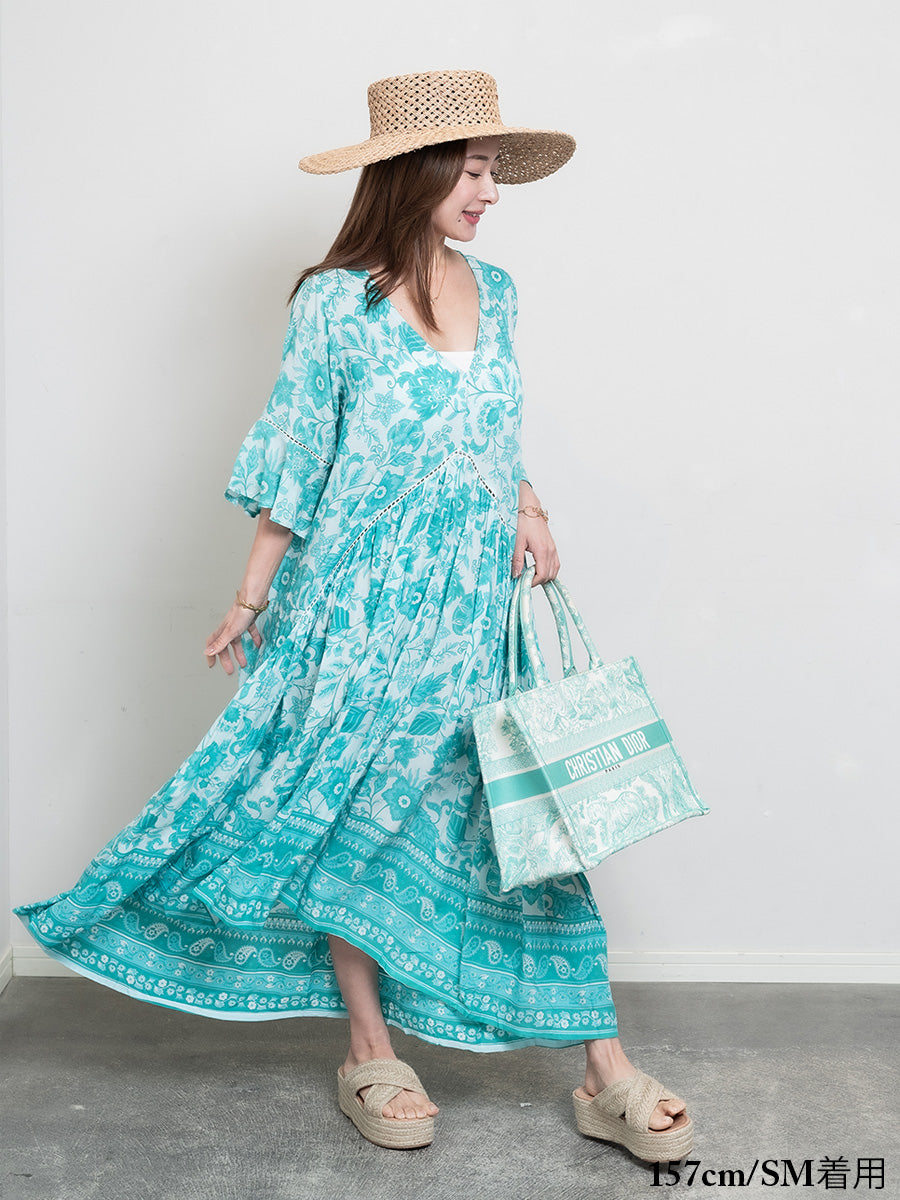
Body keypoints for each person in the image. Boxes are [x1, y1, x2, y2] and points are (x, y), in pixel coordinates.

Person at [14, 69, 692, 1161]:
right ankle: (369, 1050)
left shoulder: (500, 291)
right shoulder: (336, 303)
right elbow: (299, 456)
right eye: (472, 172)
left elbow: (491, 431)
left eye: (492, 173)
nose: (490, 193)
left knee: (531, 824)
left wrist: (528, 507)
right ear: (415, 174)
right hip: (356, 609)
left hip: (473, 610)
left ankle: (602, 1067)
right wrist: (250, 596)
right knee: (352, 812)